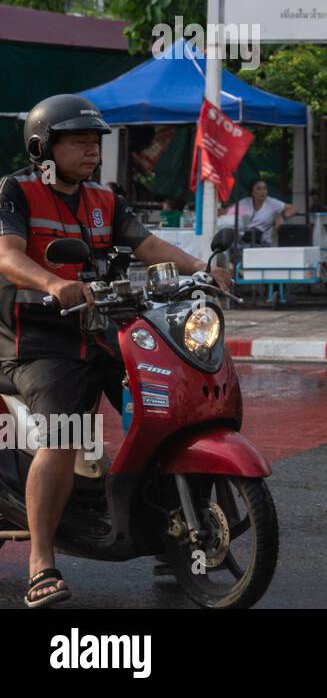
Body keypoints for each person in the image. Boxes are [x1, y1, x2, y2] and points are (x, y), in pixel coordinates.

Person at [0, 94, 234, 607]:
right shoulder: (15, 191)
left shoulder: (105, 200)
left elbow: (148, 247)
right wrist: (51, 282)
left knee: (166, 406)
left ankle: (171, 530)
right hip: (35, 340)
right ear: (43, 146)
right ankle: (42, 562)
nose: (91, 150)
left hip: (101, 330)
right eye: (78, 141)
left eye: (95, 141)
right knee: (64, 434)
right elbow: (7, 256)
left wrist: (203, 270)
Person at [222, 179, 295, 245]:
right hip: (243, 241)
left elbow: (293, 208)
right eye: (259, 189)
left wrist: (282, 216)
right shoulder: (245, 202)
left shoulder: (272, 203)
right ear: (252, 192)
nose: (262, 191)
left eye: (265, 188)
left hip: (263, 242)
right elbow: (228, 211)